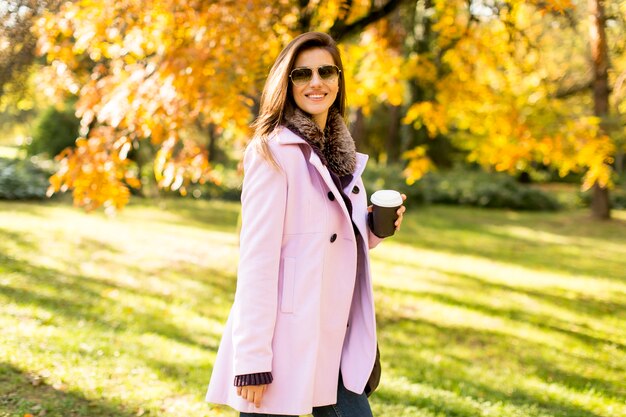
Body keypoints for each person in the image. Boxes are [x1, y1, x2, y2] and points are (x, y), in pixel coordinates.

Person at [205, 31, 407, 417]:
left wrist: (375, 229)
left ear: (339, 79)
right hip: (284, 340)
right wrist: (251, 360)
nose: (316, 82)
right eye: (302, 74)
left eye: (326, 71)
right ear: (287, 82)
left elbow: (329, 237)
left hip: (336, 334)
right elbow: (257, 261)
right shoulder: (272, 152)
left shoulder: (341, 151)